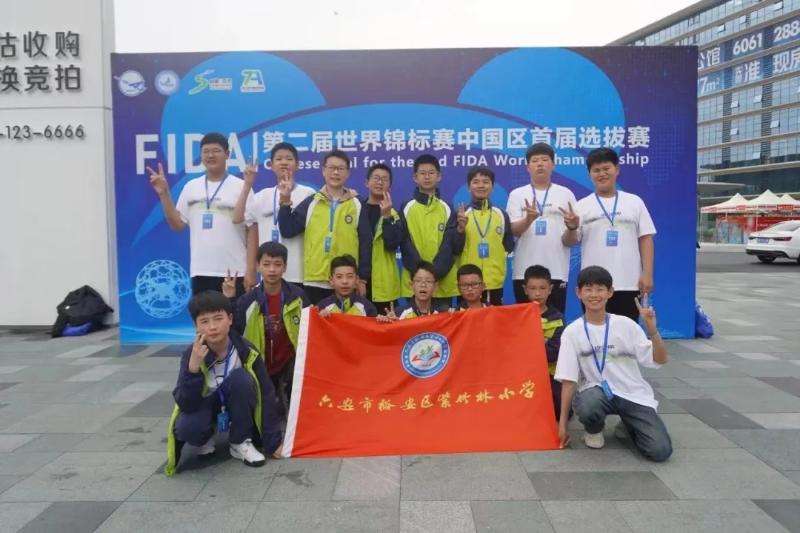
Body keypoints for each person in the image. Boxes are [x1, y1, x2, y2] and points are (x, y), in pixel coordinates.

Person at [554, 266, 672, 462]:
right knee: (589, 402)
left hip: (633, 394)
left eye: (600, 289)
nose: (594, 295)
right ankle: (593, 429)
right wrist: (562, 426)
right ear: (578, 292)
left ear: (610, 292)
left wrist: (653, 331)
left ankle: (628, 424)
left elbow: (661, 359)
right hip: (596, 394)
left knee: (660, 451)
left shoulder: (626, 325)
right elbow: (568, 380)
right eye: (588, 289)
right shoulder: (572, 332)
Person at [165, 291, 282, 476]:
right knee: (187, 428)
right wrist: (193, 369)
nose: (212, 327)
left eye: (218, 318)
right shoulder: (191, 354)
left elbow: (266, 394)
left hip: (235, 403)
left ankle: (240, 441)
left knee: (242, 379)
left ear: (230, 319)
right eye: (204, 321)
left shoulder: (246, 350)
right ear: (196, 326)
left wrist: (273, 443)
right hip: (204, 405)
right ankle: (204, 438)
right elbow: (185, 403)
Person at [148, 132, 257, 296]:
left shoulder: (241, 186)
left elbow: (252, 230)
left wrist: (251, 270)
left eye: (216, 151)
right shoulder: (191, 187)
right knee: (204, 313)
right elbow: (177, 225)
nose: (210, 155)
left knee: (235, 312)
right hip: (201, 270)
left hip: (235, 271)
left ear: (227, 154)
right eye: (206, 151)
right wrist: (164, 193)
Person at [562, 147, 656, 322]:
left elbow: (646, 238)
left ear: (617, 169)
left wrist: (647, 274)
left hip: (629, 282)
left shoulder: (634, 202)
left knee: (627, 330)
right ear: (589, 174)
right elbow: (569, 241)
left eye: (606, 168)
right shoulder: (581, 206)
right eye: (596, 170)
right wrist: (572, 228)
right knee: (595, 331)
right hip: (594, 287)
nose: (602, 174)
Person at [223, 242, 310, 417]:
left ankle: (287, 396)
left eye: (277, 264)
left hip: (289, 363)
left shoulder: (297, 296)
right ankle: (272, 395)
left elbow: (311, 326)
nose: (272, 270)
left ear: (285, 267)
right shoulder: (247, 301)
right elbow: (233, 331)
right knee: (264, 414)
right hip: (259, 364)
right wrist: (230, 299)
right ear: (258, 266)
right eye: (266, 264)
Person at [277, 149, 371, 304]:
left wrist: (362, 279)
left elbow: (366, 242)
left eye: (340, 169)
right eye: (331, 168)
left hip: (346, 281)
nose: (336, 172)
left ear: (348, 173)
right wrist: (285, 201)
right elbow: (288, 230)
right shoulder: (312, 202)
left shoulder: (357, 203)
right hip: (315, 280)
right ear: (323, 171)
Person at [232, 142, 316, 290]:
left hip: (299, 273)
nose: (284, 162)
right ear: (271, 165)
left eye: (289, 159)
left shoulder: (308, 194)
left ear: (297, 165)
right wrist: (247, 185)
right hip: (268, 273)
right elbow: (238, 219)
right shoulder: (261, 196)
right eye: (279, 159)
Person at [506, 143, 577, 312]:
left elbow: (570, 241)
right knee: (526, 322)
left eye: (545, 160)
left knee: (555, 321)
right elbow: (513, 231)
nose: (540, 164)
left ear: (553, 164)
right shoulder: (517, 194)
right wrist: (528, 219)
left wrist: (572, 228)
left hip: (556, 271)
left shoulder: (565, 194)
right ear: (527, 167)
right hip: (524, 272)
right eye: (535, 160)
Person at [399, 154, 464, 307]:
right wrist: (420, 274)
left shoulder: (448, 208)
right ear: (415, 177)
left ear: (439, 176)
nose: (427, 177)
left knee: (442, 323)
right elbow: (404, 242)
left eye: (431, 172)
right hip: (415, 283)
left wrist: (434, 274)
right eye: (422, 173)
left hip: (442, 284)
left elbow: (450, 246)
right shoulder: (406, 207)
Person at [457, 165, 514, 305]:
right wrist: (460, 229)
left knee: (494, 318)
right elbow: (455, 247)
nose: (481, 185)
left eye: (486, 182)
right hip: (468, 283)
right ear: (469, 187)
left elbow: (508, 246)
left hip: (494, 282)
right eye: (476, 182)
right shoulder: (461, 215)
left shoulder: (501, 215)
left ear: (492, 187)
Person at [523, 265, 566, 420]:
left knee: (559, 410)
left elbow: (553, 353)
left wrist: (528, 344)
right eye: (532, 288)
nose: (537, 293)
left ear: (550, 289)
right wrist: (541, 342)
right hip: (522, 373)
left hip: (548, 374)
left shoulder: (558, 318)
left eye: (542, 288)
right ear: (525, 289)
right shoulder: (516, 315)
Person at [361, 163, 404, 315]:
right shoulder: (356, 208)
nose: (380, 182)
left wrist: (386, 217)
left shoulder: (394, 214)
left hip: (384, 283)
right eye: (376, 178)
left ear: (390, 187)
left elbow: (392, 244)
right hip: (359, 281)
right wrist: (359, 278)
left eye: (384, 179)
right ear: (366, 182)